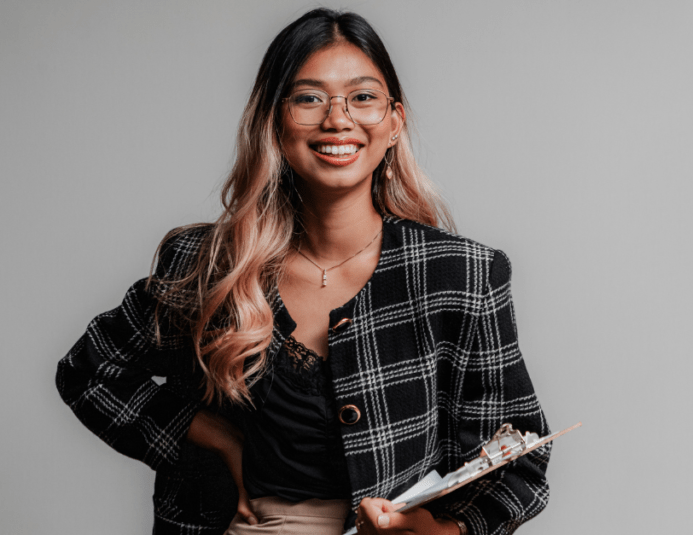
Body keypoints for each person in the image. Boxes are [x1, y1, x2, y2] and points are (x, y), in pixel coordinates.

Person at [56, 9, 550, 535]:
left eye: (363, 97)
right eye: (309, 98)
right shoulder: (207, 264)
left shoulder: (461, 275)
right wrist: (205, 434)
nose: (338, 120)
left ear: (394, 122)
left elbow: (519, 460)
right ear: (274, 121)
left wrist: (439, 533)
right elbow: (87, 372)